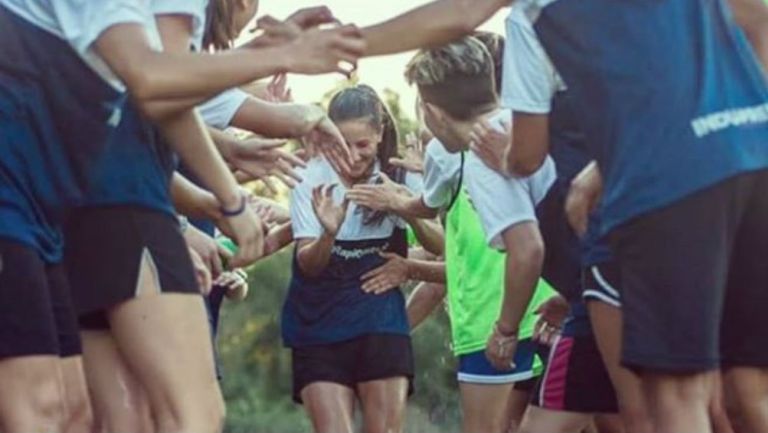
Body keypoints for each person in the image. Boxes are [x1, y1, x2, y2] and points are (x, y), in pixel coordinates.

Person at [348, 35, 559, 433]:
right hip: (560, 308)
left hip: (500, 319)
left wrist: (504, 329)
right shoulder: (534, 124)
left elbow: (526, 249)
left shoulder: (464, 153)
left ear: (432, 112)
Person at [284, 85, 437, 433]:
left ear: (380, 133)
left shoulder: (399, 173)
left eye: (363, 145)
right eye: (341, 145)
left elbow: (442, 245)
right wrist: (329, 233)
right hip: (318, 322)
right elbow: (309, 265)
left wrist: (405, 207)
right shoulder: (309, 176)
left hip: (379, 318)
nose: (353, 156)